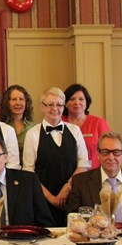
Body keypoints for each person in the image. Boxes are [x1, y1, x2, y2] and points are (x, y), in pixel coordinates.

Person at [22, 87, 89, 226]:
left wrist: (67, 188)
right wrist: (51, 198)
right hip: (42, 199)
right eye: (50, 104)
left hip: (72, 197)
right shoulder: (33, 134)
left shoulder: (74, 130)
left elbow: (83, 164)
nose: (55, 108)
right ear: (42, 106)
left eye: (59, 105)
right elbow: (29, 171)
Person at [66, 131, 122, 224]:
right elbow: (73, 223)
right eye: (105, 152)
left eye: (116, 152)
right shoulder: (80, 182)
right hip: (97, 237)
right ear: (98, 155)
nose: (111, 157)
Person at [62, 83, 111, 169]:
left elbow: (109, 151)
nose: (77, 102)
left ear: (86, 102)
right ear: (65, 103)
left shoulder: (98, 123)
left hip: (92, 176)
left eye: (81, 99)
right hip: (64, 176)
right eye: (72, 99)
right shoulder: (58, 123)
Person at [0, 85, 34, 159]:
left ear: (26, 102)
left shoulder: (34, 128)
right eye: (14, 99)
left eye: (21, 99)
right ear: (7, 103)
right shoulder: (0, 126)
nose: (18, 103)